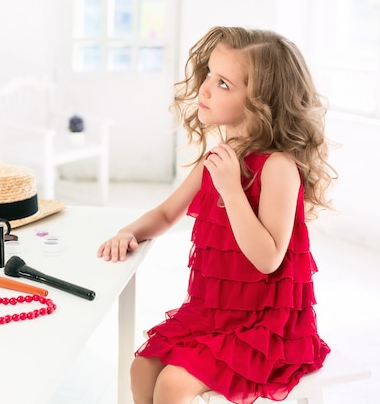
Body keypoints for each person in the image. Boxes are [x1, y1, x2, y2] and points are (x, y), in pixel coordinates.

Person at [97, 26, 336, 404]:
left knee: (174, 384)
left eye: (223, 84)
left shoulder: (278, 167)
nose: (205, 89)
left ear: (261, 101)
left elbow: (269, 257)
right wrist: (128, 232)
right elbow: (165, 213)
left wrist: (231, 190)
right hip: (212, 313)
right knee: (142, 366)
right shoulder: (222, 155)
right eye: (209, 74)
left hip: (266, 325)